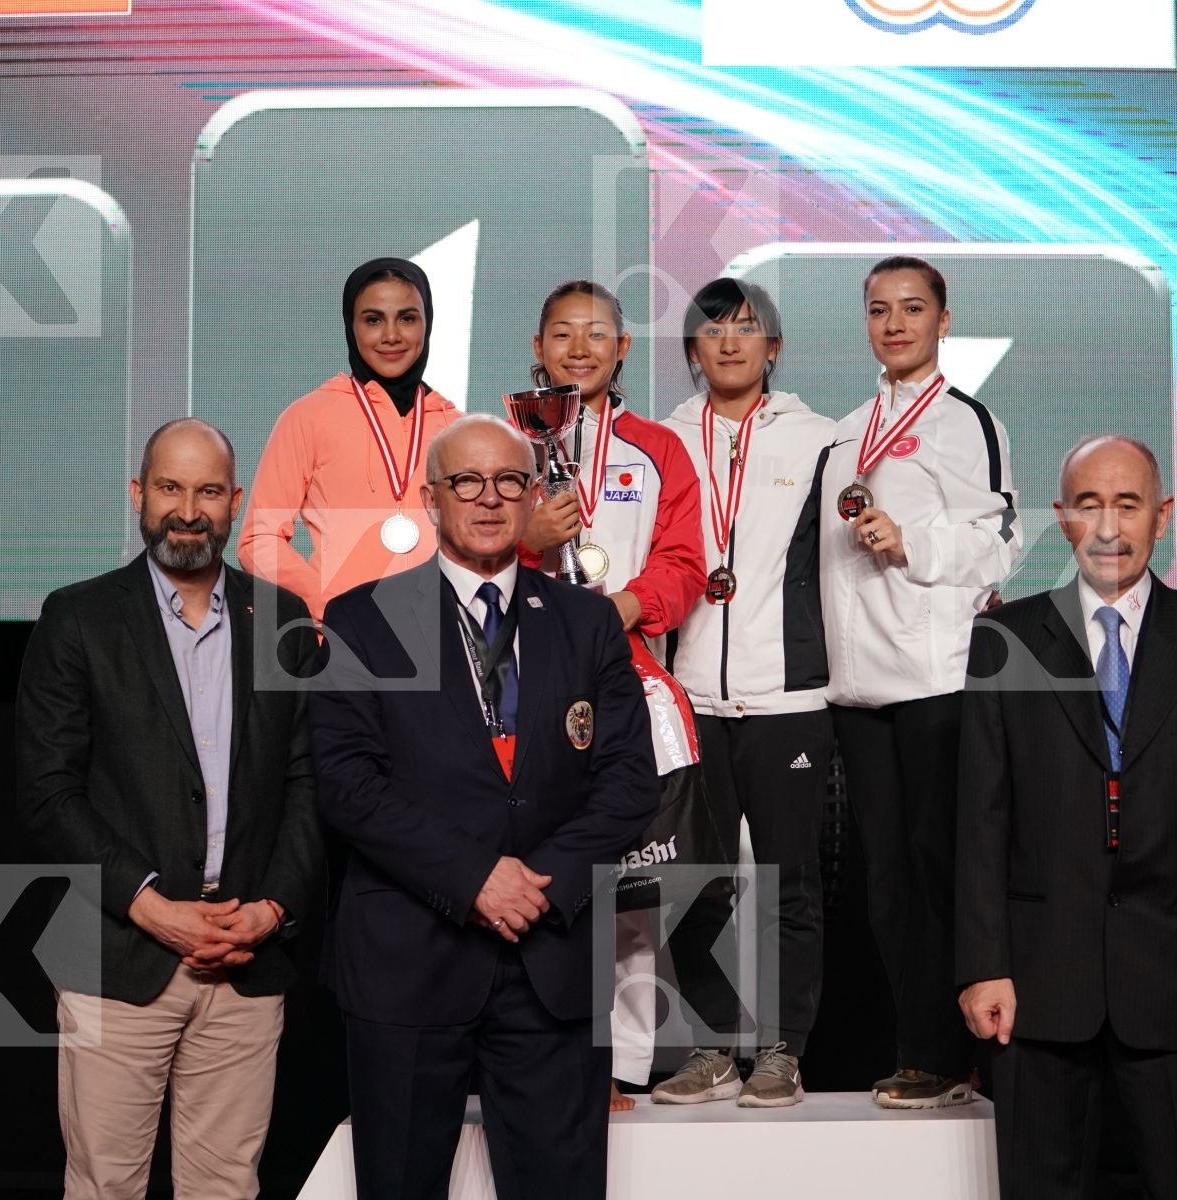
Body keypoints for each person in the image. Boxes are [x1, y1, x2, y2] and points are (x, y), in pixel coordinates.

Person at [312, 414, 658, 1199]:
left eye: (509, 481)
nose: (490, 499)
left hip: (552, 956)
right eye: (467, 481)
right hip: (409, 960)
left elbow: (629, 781)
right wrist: (474, 879)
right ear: (432, 499)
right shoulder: (364, 617)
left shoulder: (587, 619)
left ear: (533, 493)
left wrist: (536, 882)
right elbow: (347, 783)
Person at [956, 435, 1177, 1199]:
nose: (1108, 527)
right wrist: (982, 964)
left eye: (1127, 505)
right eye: (1089, 505)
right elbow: (979, 817)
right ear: (1063, 519)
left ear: (1161, 517)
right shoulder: (1005, 639)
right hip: (1035, 984)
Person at [15, 417, 323, 1199]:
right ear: (137, 495)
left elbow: (309, 783)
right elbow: (49, 795)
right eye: (170, 487)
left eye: (209, 491)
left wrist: (271, 908)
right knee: (105, 1186)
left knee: (226, 1186)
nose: (188, 509)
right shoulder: (78, 618)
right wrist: (152, 907)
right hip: (119, 955)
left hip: (247, 961)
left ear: (236, 503)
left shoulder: (285, 620)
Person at [814, 254, 1023, 1108]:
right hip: (859, 689)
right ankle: (918, 1052)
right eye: (878, 309)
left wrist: (917, 547)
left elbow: (1000, 538)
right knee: (889, 887)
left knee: (942, 874)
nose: (894, 323)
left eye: (911, 308)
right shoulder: (848, 429)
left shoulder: (964, 420)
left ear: (943, 320)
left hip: (935, 679)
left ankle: (962, 1054)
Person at [518, 279, 711, 1108]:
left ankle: (622, 1069)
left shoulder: (659, 448)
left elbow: (683, 562)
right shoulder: (507, 444)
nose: (579, 348)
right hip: (525, 685)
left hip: (628, 681)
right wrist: (529, 543)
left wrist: (617, 614)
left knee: (637, 888)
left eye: (597, 333)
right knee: (544, 876)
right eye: (562, 333)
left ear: (623, 347)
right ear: (538, 347)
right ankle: (543, 1057)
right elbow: (467, 550)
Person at [653, 277, 837, 1108]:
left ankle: (783, 1051)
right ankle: (712, 1046)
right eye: (712, 329)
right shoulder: (660, 442)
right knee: (693, 881)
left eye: (747, 327)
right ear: (692, 349)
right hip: (689, 694)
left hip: (788, 697)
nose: (729, 342)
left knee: (789, 884)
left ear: (775, 346)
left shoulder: (821, 440)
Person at [238, 256, 461, 621]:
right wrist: (330, 605)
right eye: (373, 320)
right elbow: (258, 541)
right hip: (341, 642)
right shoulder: (309, 417)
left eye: (407, 318)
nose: (391, 335)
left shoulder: (456, 426)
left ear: (428, 322)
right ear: (350, 325)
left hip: (441, 641)